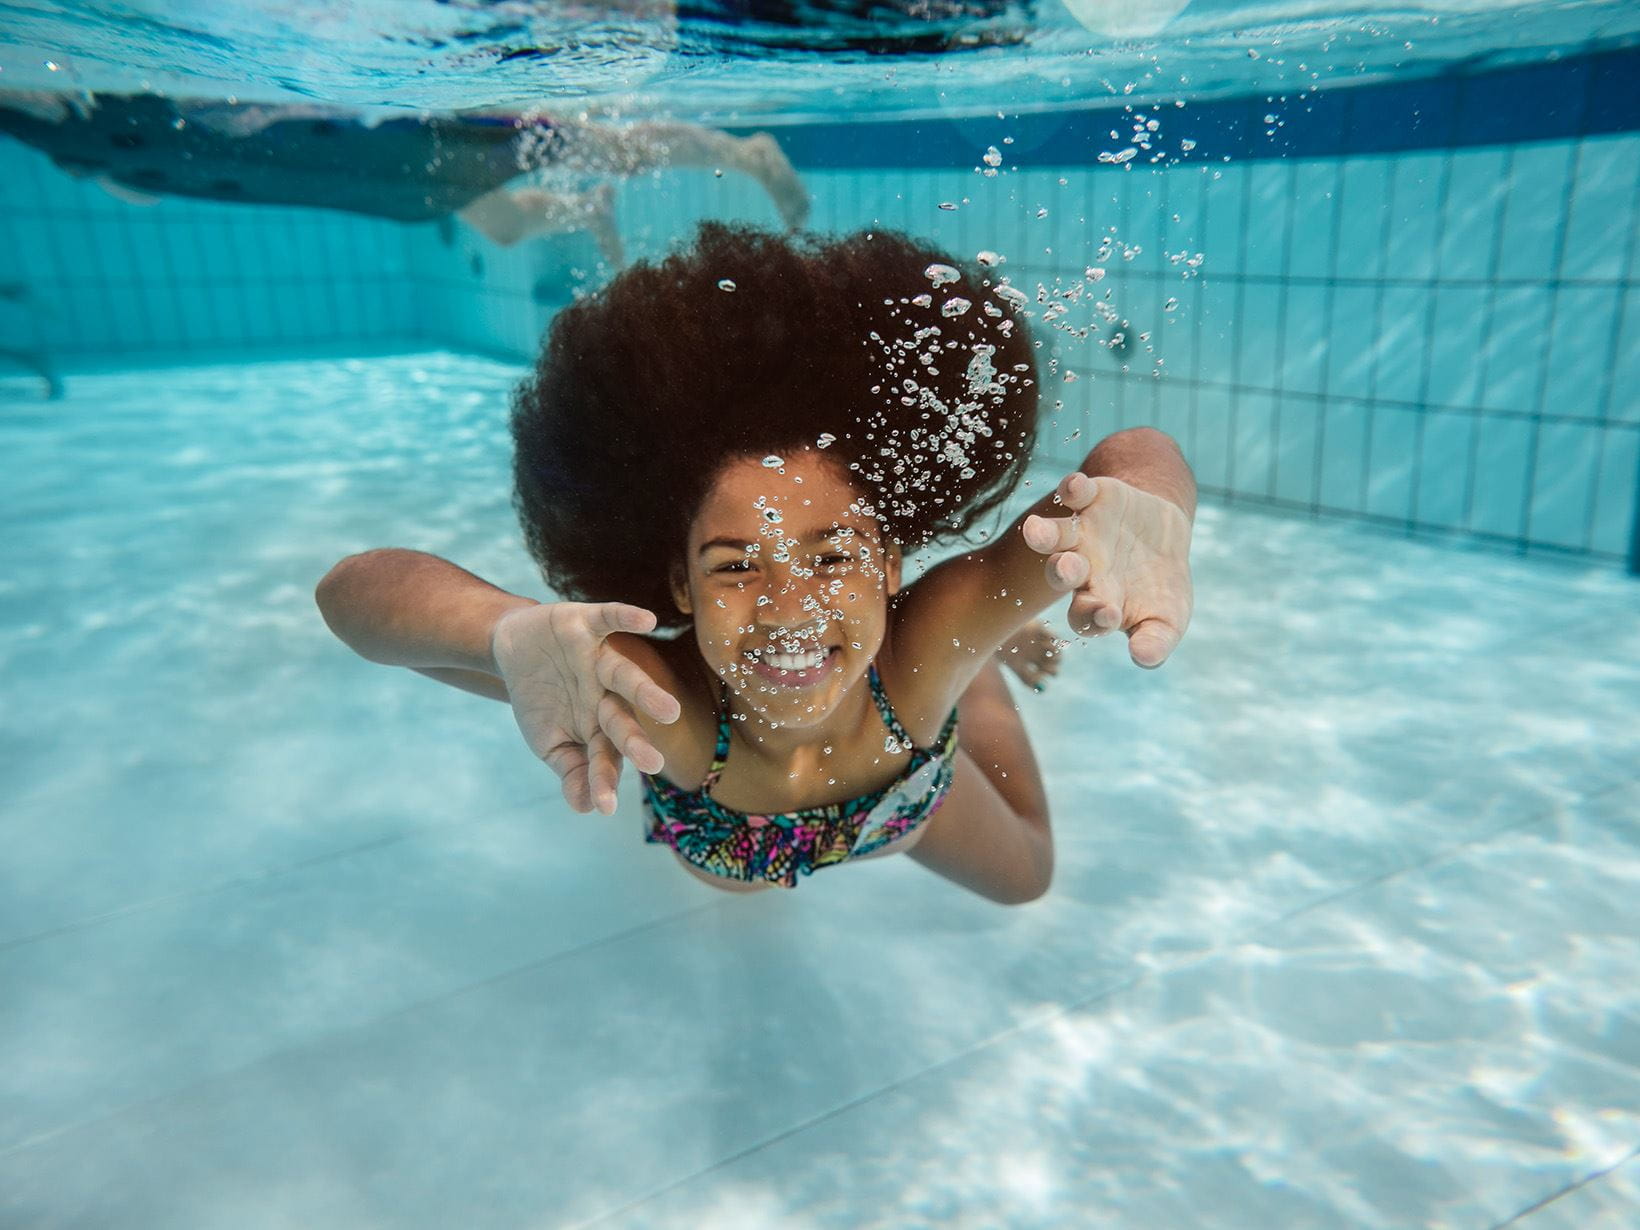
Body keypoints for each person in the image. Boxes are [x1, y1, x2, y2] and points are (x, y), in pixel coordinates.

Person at [315, 223, 1195, 905]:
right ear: (676, 585)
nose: (789, 608)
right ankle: (983, 652)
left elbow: (1133, 454)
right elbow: (349, 594)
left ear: (890, 562)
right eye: (736, 568)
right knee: (743, 895)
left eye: (832, 555)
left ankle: (983, 667)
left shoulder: (920, 645)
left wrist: (1153, 505)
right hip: (735, 845)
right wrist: (498, 631)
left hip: (904, 789)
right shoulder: (656, 697)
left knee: (1029, 872)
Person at [0, 91, 810, 265]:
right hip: (388, 181)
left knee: (608, 145)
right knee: (500, 221)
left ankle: (746, 151)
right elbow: (138, 180)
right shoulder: (75, 124)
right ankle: (585, 210)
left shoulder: (67, 100)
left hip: (402, 135)